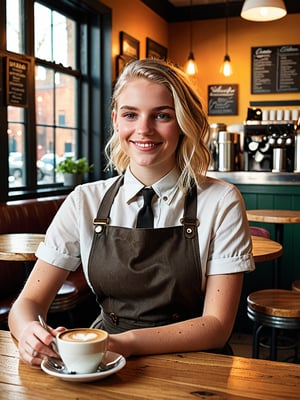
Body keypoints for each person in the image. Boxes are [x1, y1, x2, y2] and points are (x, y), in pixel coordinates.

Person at [9, 58, 255, 367]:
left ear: (182, 121)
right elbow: (27, 304)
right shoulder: (84, 201)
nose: (143, 129)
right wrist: (30, 332)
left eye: (161, 115)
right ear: (116, 120)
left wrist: (126, 343)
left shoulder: (221, 201)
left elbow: (217, 327)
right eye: (130, 114)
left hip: (194, 362)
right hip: (102, 362)